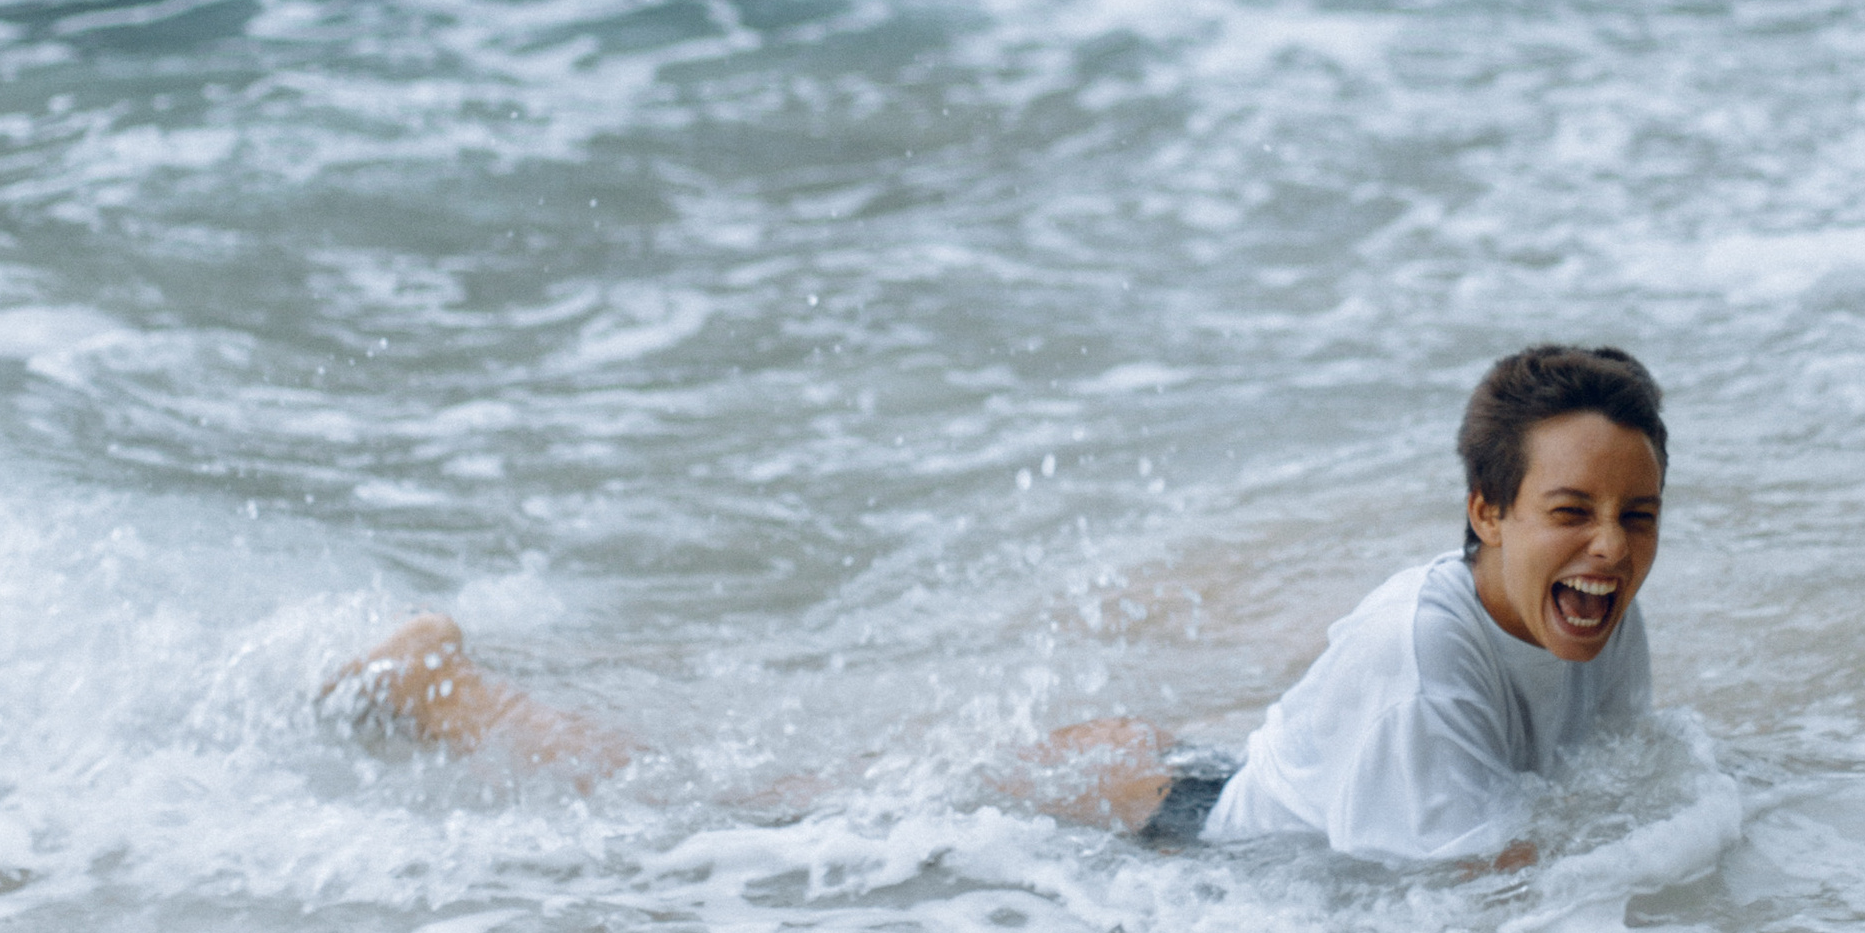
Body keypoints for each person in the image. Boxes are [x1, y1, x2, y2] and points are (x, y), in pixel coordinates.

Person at [324, 341, 1666, 869]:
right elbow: (1482, 897)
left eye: (1636, 516)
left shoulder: (1591, 608)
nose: (1608, 548)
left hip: (1183, 790)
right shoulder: (1422, 650)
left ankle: (437, 694)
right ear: (1487, 510)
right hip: (1159, 832)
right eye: (1571, 512)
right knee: (726, 830)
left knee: (776, 806)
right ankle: (439, 697)